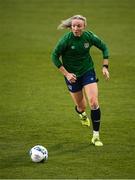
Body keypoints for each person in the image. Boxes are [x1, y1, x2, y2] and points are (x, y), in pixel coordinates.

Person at [51, 15, 109, 146]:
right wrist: (66, 74)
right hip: (72, 76)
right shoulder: (65, 40)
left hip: (87, 71)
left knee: (94, 102)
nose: (76, 28)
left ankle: (96, 136)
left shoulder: (89, 36)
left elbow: (104, 47)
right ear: (71, 27)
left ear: (84, 27)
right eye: (73, 26)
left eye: (79, 26)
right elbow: (54, 56)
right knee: (82, 106)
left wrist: (105, 66)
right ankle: (81, 114)